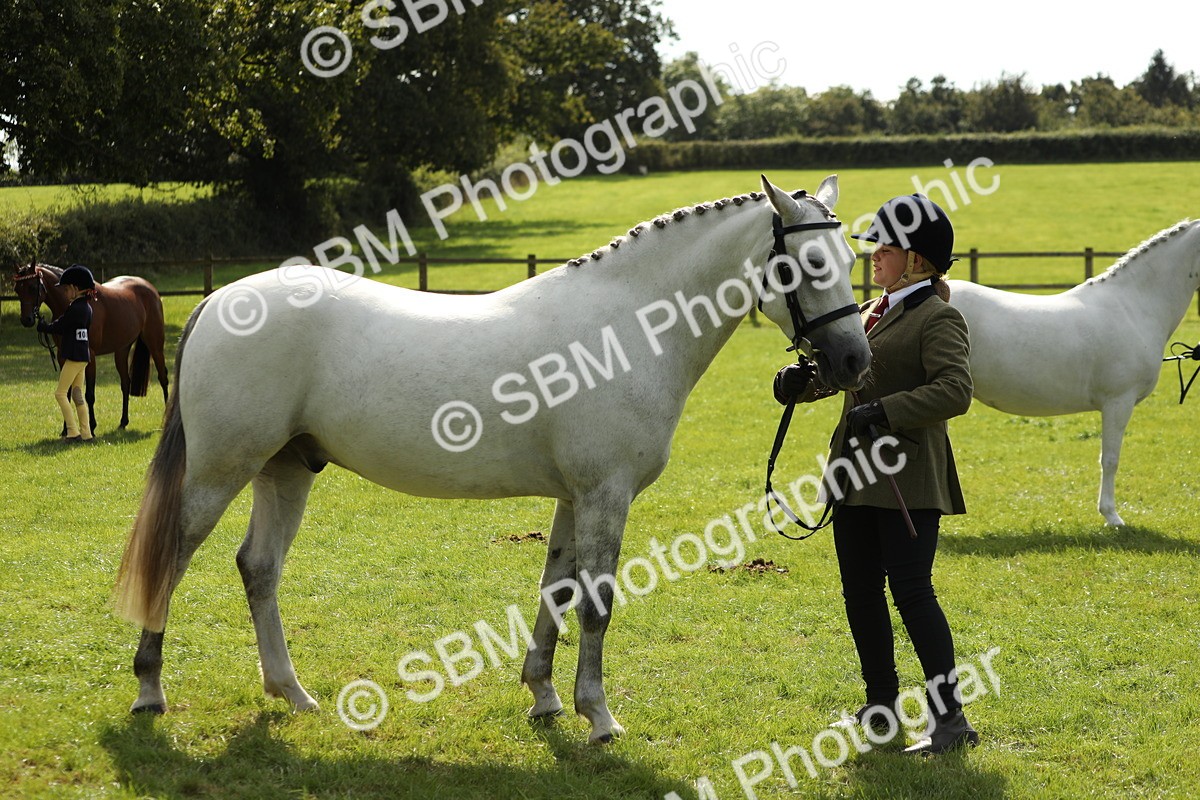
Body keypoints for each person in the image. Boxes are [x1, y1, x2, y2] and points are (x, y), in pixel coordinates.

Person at [773, 194, 976, 754]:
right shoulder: (867, 314)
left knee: (913, 594)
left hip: (908, 480)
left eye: (886, 246)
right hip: (855, 477)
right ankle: (881, 708)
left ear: (917, 260)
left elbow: (956, 390)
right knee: (860, 594)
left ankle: (950, 720)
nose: (875, 255)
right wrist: (798, 384)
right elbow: (843, 374)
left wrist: (886, 411)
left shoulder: (940, 317)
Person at [37, 264, 96, 443]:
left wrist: (44, 327)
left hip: (74, 357)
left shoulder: (75, 309)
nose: (64, 293)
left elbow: (61, 326)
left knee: (60, 394)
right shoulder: (87, 308)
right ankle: (86, 434)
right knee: (78, 395)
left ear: (76, 289)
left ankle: (72, 432)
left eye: (66, 289)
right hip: (83, 357)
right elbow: (66, 324)